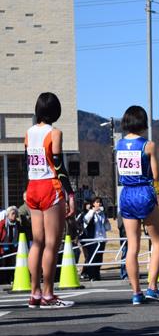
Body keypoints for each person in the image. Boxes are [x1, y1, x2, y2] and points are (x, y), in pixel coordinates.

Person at [24, 92, 76, 308]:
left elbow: (26, 162)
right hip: (50, 186)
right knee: (52, 244)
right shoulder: (55, 133)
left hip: (32, 186)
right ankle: (48, 294)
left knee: (36, 242)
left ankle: (34, 293)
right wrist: (70, 194)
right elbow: (59, 166)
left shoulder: (28, 133)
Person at [116, 105, 159, 305]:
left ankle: (136, 293)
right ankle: (152, 287)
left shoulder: (119, 144)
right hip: (143, 192)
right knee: (158, 242)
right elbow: (155, 175)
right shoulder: (148, 145)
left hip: (126, 194)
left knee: (132, 246)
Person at [81, 197, 111, 281]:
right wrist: (93, 211)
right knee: (92, 258)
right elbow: (85, 221)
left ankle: (97, 274)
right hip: (93, 239)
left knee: (99, 258)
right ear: (93, 204)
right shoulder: (90, 213)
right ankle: (91, 275)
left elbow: (108, 228)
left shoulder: (102, 214)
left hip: (102, 239)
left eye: (100, 202)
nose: (99, 204)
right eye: (97, 202)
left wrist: (106, 220)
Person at [0, 206, 20, 284]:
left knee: (11, 264)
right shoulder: (2, 223)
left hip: (12, 246)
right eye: (12, 213)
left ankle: (10, 280)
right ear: (7, 215)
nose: (14, 215)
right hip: (3, 246)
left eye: (15, 213)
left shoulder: (17, 224)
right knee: (3, 263)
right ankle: (3, 281)